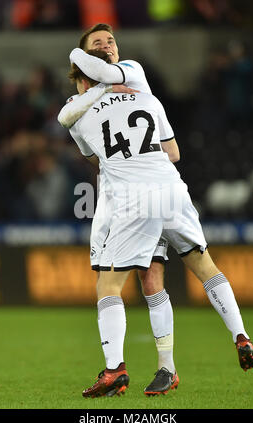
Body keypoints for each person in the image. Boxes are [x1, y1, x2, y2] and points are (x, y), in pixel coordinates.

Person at [58, 51, 253, 398]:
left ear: (83, 79)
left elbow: (90, 151)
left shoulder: (79, 113)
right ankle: (239, 335)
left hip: (135, 197)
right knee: (198, 264)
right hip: (172, 187)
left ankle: (114, 370)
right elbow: (174, 152)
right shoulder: (148, 96)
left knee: (108, 284)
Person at [58, 23, 180, 396]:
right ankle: (117, 369)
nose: (107, 45)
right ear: (83, 64)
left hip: (149, 194)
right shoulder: (76, 110)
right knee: (109, 282)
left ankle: (161, 368)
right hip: (112, 203)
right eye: (97, 42)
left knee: (149, 279)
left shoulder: (134, 77)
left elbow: (171, 152)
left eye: (111, 40)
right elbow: (94, 156)